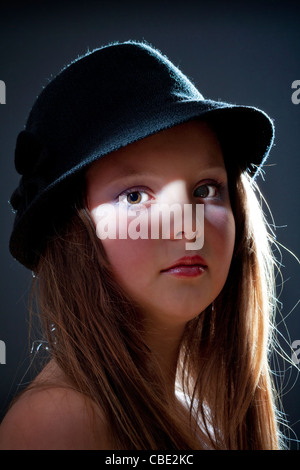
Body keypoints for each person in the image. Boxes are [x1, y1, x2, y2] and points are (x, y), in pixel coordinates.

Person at [0, 40, 285, 449]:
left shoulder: (207, 424)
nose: (187, 227)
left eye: (206, 189)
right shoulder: (58, 424)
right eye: (135, 196)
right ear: (72, 233)